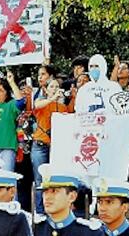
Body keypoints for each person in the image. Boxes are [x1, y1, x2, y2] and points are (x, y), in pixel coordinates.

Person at [31, 78, 75, 214]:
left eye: (57, 87)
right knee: (40, 179)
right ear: (46, 89)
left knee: (56, 179)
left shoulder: (62, 107)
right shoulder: (41, 101)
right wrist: (52, 98)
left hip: (57, 147)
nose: (55, 89)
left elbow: (72, 115)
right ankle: (39, 212)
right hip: (40, 144)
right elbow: (36, 106)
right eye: (52, 86)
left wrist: (73, 96)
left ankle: (55, 210)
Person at [35, 163, 104, 235]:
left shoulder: (90, 233)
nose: (47, 197)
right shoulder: (35, 229)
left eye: (54, 191)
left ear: (72, 196)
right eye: (45, 191)